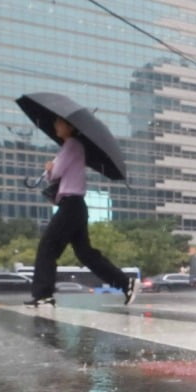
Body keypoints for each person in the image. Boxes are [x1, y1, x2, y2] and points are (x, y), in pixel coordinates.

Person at [27, 116, 136, 307]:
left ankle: (43, 295)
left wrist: (50, 168)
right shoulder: (72, 146)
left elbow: (57, 173)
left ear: (69, 126)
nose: (55, 126)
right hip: (75, 206)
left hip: (71, 205)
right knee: (86, 254)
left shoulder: (72, 144)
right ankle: (126, 284)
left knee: (48, 247)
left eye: (59, 123)